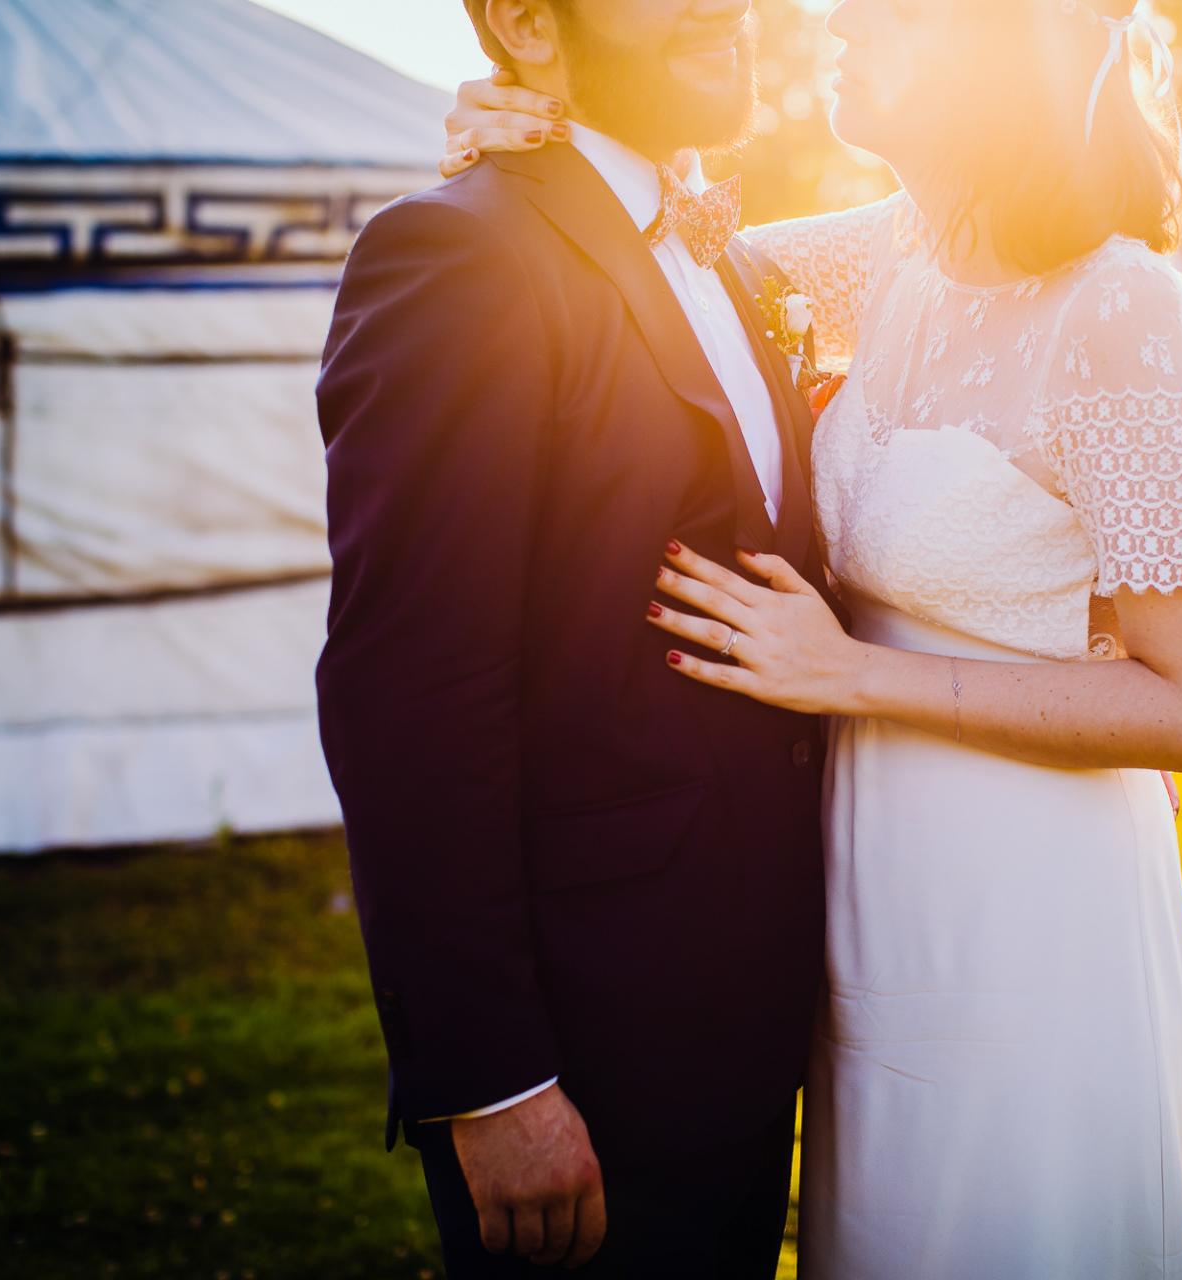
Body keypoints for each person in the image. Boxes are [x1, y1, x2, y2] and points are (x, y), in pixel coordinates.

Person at [441, 0, 1182, 1275]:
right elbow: (640, 248)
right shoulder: (872, 260)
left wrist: (850, 672)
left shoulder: (1123, 305)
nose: (831, 17)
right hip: (866, 888)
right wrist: (529, 126)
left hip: (1030, 895)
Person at [314, 0, 842, 1274]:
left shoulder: (741, 258)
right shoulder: (456, 256)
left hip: (757, 1001)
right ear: (524, 25)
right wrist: (491, 1079)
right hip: (588, 1034)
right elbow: (411, 693)